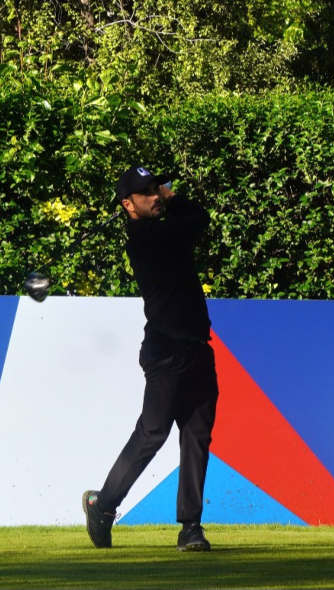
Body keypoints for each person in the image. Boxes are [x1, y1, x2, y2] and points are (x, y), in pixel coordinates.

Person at [82, 165, 219, 552]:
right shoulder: (146, 237)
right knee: (153, 432)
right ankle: (103, 504)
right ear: (128, 205)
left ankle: (190, 527)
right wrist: (174, 197)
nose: (157, 196)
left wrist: (164, 196)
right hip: (166, 351)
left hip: (196, 347)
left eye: (157, 190)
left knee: (196, 436)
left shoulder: (157, 229)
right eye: (148, 193)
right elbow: (199, 220)